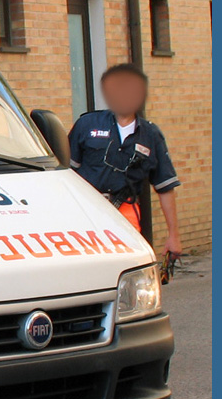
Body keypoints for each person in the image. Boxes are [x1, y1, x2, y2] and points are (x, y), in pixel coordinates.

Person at [68, 63, 182, 255]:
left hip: (125, 217)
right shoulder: (86, 125)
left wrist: (174, 236)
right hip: (86, 214)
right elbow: (67, 175)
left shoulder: (151, 135)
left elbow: (165, 188)